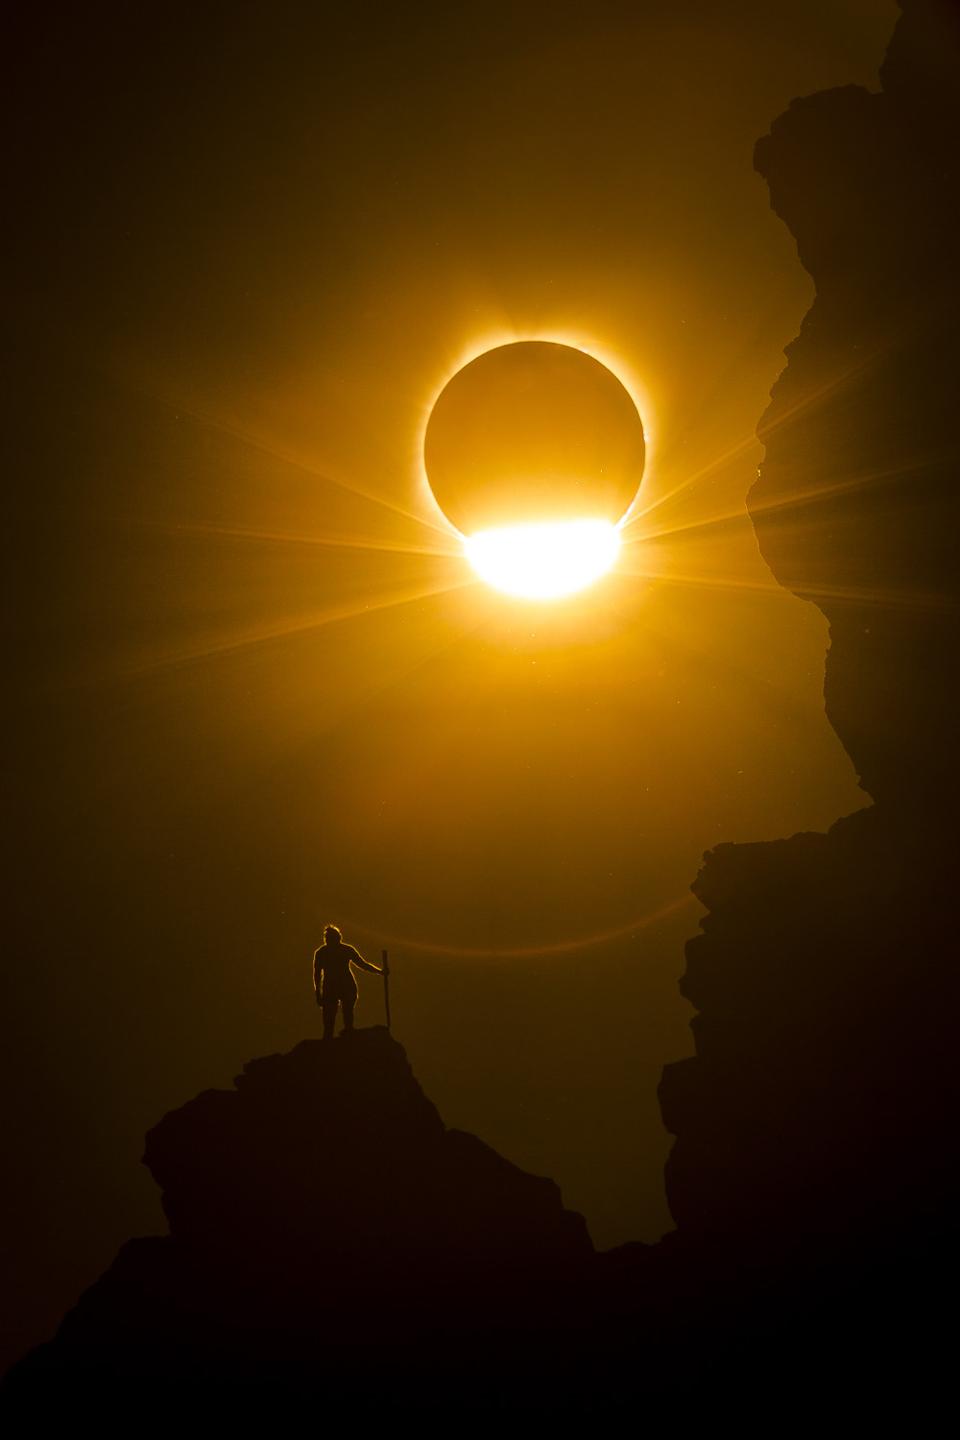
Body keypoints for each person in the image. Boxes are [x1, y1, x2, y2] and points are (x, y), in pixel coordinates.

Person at [312, 924, 383, 1039]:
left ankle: (347, 1034)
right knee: (329, 1019)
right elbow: (316, 975)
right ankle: (329, 1040)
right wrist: (318, 994)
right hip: (332, 987)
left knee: (347, 1013)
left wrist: (380, 972)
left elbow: (362, 964)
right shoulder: (322, 952)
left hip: (345, 985)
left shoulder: (343, 950)